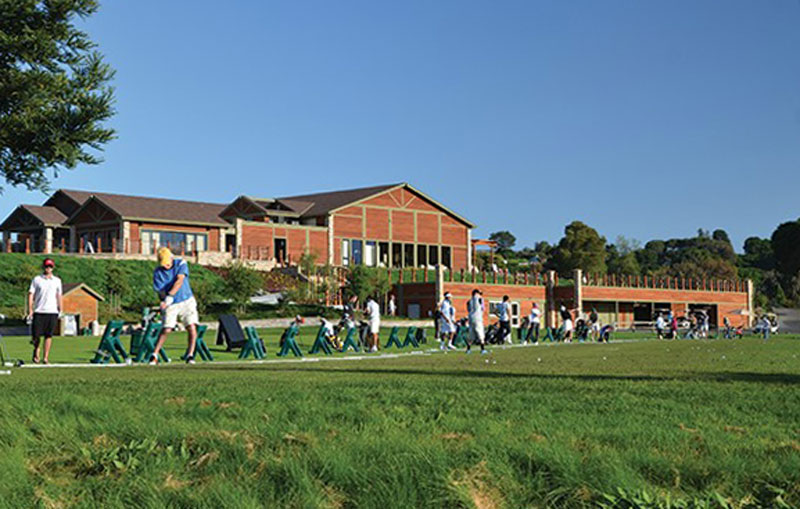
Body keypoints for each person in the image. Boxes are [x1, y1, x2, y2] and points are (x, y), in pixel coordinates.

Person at [150, 248, 199, 365]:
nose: (166, 266)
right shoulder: (158, 273)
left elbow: (179, 280)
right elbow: (161, 291)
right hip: (171, 304)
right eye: (164, 264)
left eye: (167, 263)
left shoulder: (181, 263)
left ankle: (190, 355)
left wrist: (170, 296)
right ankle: (154, 355)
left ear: (171, 258)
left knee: (191, 327)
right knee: (167, 329)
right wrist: (163, 301)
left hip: (187, 300)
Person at [27, 258, 62, 364]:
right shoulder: (37, 279)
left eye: (50, 266)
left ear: (53, 268)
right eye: (47, 266)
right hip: (39, 310)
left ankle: (45, 357)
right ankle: (36, 352)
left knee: (49, 335)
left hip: (52, 311)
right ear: (44, 267)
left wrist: (60, 308)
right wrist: (30, 310)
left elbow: (59, 295)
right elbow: (31, 294)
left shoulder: (57, 281)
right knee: (36, 335)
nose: (48, 268)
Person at [466, 289, 487, 354]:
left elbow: (468, 309)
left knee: (471, 334)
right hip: (478, 317)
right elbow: (483, 308)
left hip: (471, 317)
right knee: (480, 333)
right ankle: (483, 349)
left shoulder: (469, 301)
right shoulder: (480, 299)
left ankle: (468, 349)